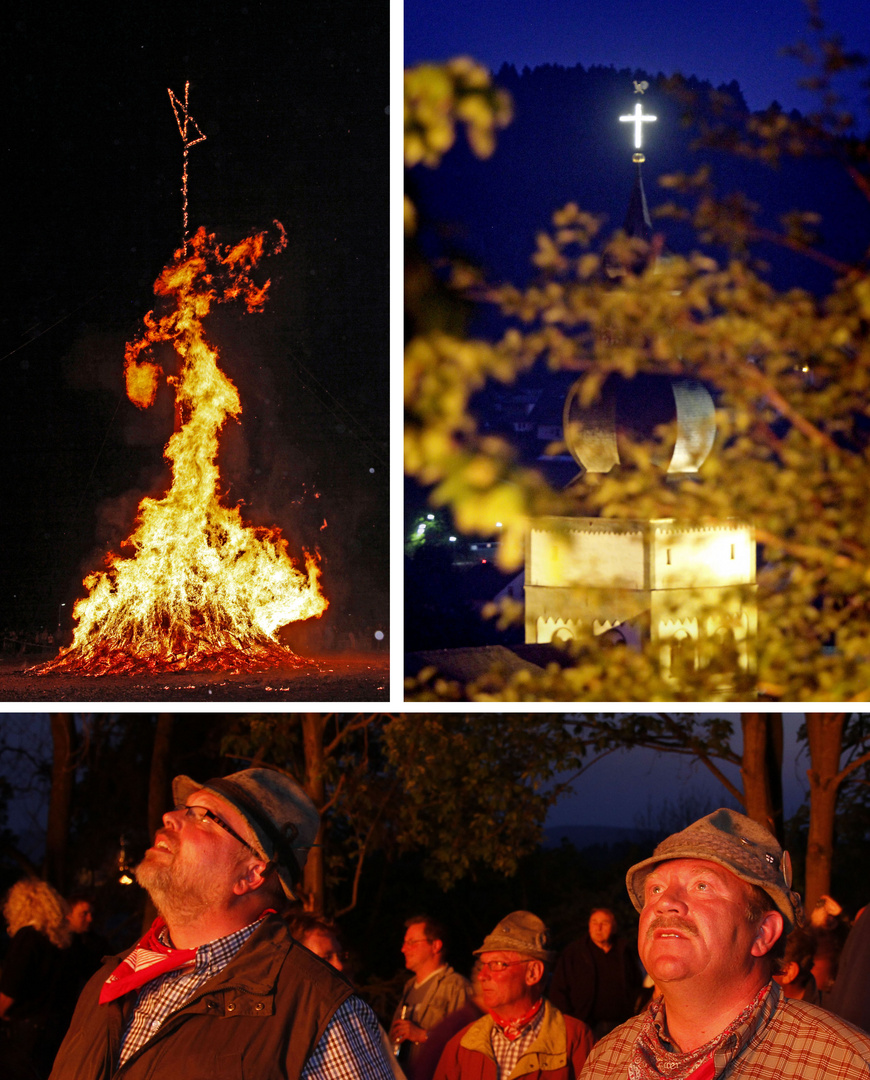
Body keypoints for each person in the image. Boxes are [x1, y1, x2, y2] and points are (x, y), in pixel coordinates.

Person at [49, 767, 396, 1079]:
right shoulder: (108, 984)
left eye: (204, 816)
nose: (170, 816)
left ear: (251, 873)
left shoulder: (321, 1013)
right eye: (184, 809)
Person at [578, 808, 870, 1079]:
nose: (664, 902)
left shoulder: (844, 1066)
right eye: (655, 888)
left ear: (763, 933)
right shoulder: (606, 1059)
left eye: (702, 886)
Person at [434, 911, 593, 1080]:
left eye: (497, 964)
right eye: (483, 965)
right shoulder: (461, 1044)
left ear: (533, 973)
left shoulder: (576, 1040)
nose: (482, 975)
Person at [0, 878, 72, 1080]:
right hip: (55, 1026)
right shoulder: (59, 943)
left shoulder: (27, 937)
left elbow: (11, 986)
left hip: (27, 1027)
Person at [390, 916, 471, 1070]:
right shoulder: (409, 987)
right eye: (404, 942)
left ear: (435, 946)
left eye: (412, 942)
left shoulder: (456, 986)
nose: (403, 949)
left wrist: (422, 1035)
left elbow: (467, 1041)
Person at [549, 907, 642, 1039]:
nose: (598, 927)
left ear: (614, 927)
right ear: (589, 926)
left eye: (604, 923)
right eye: (594, 922)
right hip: (586, 1026)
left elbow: (636, 985)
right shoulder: (574, 953)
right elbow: (558, 989)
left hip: (621, 1026)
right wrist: (570, 1023)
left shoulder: (624, 952)